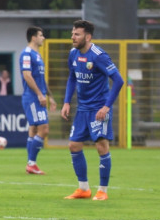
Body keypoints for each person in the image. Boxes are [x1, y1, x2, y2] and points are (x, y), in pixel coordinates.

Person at [60, 19, 125, 201]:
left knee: (101, 146)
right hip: (82, 109)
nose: (73, 37)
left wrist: (106, 107)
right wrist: (66, 102)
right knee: (73, 144)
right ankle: (83, 189)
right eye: (72, 33)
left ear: (88, 37)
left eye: (77, 34)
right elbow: (72, 78)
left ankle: (102, 190)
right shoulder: (73, 54)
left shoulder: (99, 55)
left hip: (98, 109)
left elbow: (119, 80)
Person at [21, 26, 53, 175]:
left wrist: (50, 96)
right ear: (33, 37)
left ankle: (30, 164)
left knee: (33, 129)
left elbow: (41, 79)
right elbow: (27, 75)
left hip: (38, 96)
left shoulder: (37, 55)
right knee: (44, 129)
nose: (43, 38)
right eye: (41, 35)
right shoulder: (27, 54)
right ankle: (31, 163)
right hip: (33, 97)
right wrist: (40, 95)